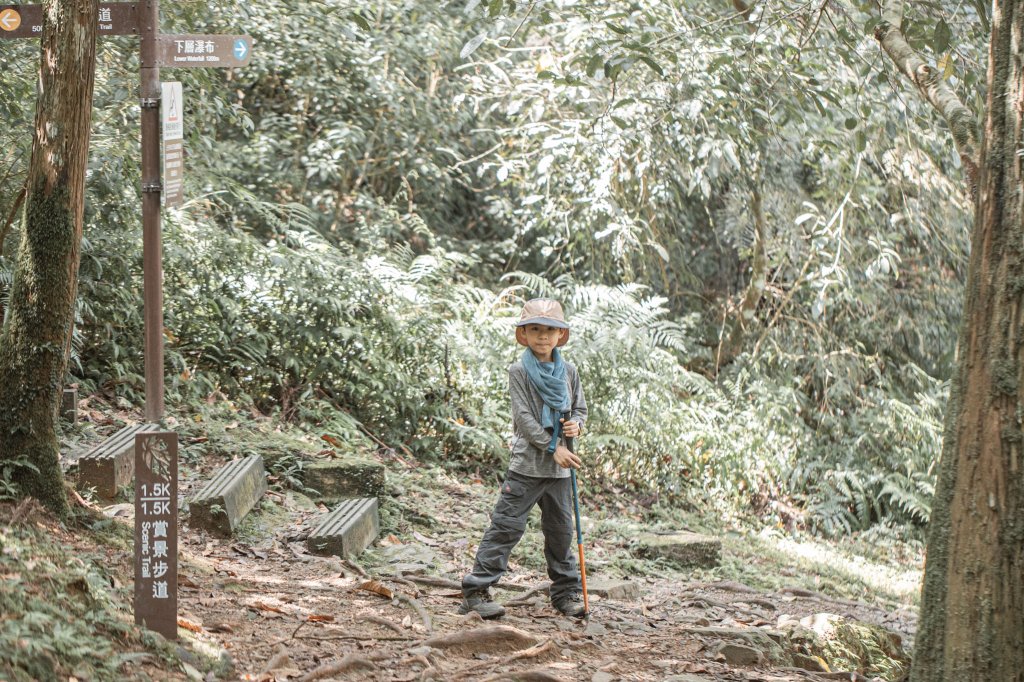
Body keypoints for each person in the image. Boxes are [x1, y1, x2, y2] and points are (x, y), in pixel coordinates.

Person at [460, 298, 588, 619]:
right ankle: (476, 592)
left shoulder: (569, 371)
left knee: (561, 532)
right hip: (527, 467)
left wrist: (577, 425)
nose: (543, 337)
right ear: (524, 335)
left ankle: (566, 593)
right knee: (506, 527)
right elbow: (524, 419)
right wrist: (552, 447)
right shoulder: (519, 372)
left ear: (560, 335)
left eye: (550, 330)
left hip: (561, 471)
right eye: (535, 330)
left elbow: (580, 410)